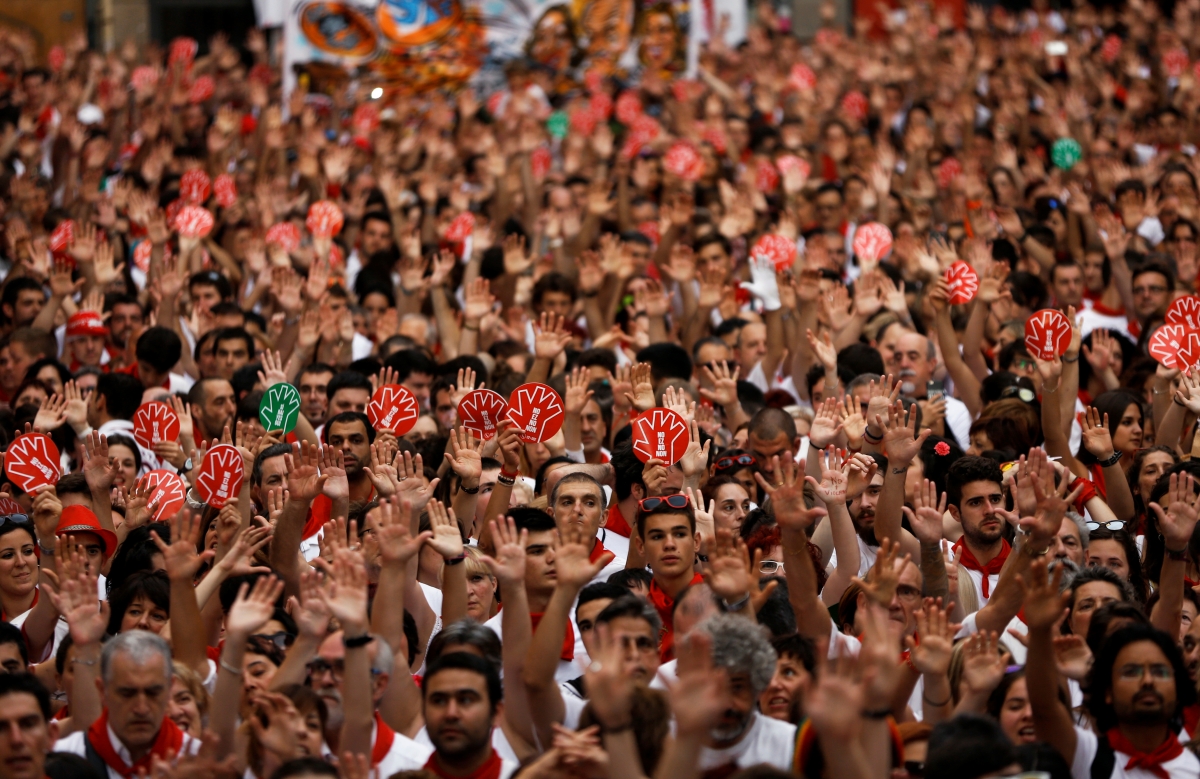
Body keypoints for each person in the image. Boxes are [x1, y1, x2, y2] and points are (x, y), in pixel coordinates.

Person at [53, 631, 201, 776]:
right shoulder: (65, 759)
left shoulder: (198, 762)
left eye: (152, 693)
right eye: (127, 694)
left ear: (170, 687)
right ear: (102, 690)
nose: (141, 709)